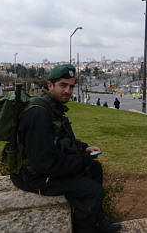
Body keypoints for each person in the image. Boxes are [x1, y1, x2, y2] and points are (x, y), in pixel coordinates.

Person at [10, 64, 120, 233]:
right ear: (50, 85)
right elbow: (45, 164)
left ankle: (99, 223)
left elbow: (62, 138)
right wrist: (81, 160)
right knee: (92, 191)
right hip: (34, 176)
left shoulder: (51, 106)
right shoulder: (39, 114)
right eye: (63, 85)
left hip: (45, 167)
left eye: (71, 86)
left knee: (95, 168)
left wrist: (84, 150)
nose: (68, 91)